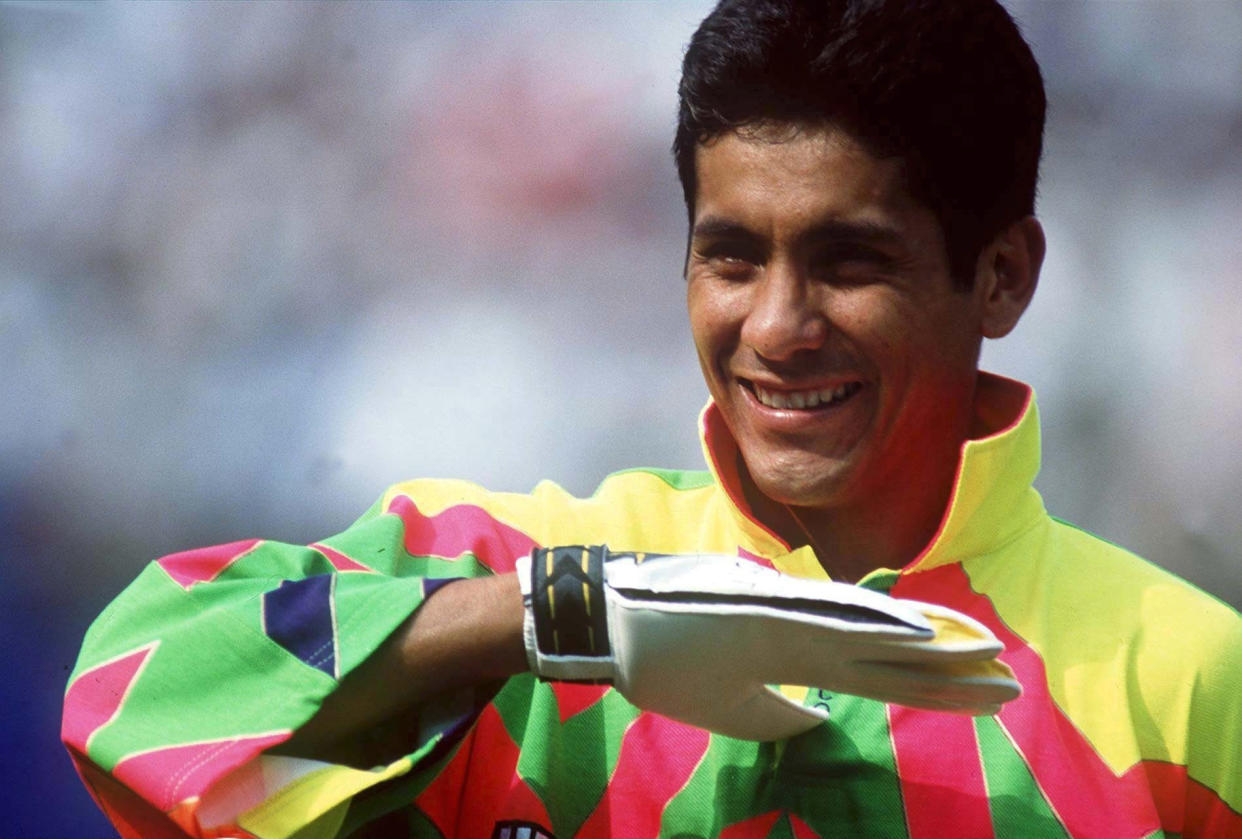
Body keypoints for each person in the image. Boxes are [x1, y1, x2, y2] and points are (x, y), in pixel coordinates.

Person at [63, 1, 1240, 837]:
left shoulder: (1193, 679)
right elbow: (127, 694)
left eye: (850, 261)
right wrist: (555, 617)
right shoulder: (499, 565)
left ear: (1001, 277)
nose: (776, 326)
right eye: (731, 256)